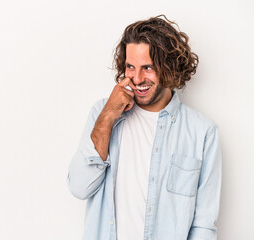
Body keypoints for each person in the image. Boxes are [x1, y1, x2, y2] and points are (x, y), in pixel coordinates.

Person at [67, 15, 222, 240]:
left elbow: (204, 226)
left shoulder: (202, 132)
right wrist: (109, 114)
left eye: (147, 67)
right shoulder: (102, 113)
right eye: (130, 66)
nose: (137, 78)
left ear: (169, 67)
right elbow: (80, 187)